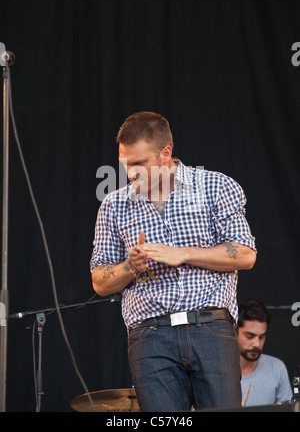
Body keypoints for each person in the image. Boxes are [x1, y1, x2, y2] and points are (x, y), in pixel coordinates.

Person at [90, 111, 257, 411]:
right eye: (125, 165)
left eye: (139, 164)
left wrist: (184, 253)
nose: (130, 173)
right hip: (149, 335)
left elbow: (245, 254)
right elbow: (100, 281)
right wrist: (130, 267)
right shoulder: (114, 206)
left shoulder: (215, 186)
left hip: (209, 328)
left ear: (166, 153)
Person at [236, 298, 293, 407]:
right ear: (234, 332)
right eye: (249, 336)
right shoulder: (218, 372)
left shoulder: (276, 367)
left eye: (261, 337)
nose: (256, 344)